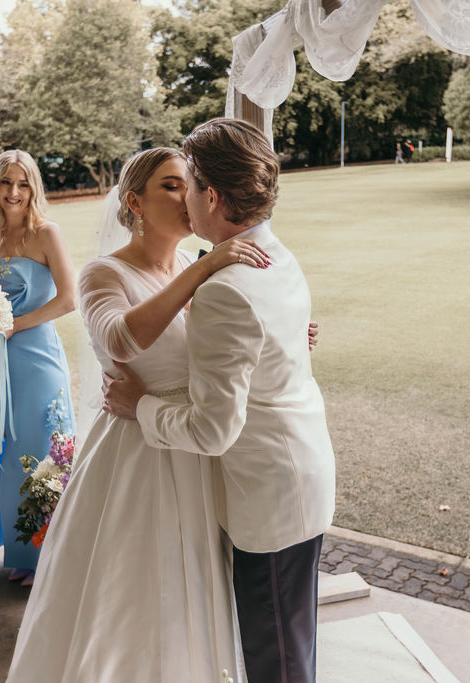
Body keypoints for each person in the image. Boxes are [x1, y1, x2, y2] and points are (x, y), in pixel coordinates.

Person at [7, 147, 269, 682]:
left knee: (188, 592)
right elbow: (121, 339)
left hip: (193, 449)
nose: (187, 196)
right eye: (170, 186)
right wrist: (205, 268)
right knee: (132, 594)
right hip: (134, 459)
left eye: (188, 185)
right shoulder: (105, 273)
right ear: (135, 202)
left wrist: (282, 337)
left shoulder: (199, 272)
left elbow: (223, 351)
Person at [104, 118, 336, 683]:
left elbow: (213, 432)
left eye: (189, 185)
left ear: (212, 195)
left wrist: (141, 407)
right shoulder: (275, 252)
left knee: (275, 655)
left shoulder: (225, 287)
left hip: (269, 494)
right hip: (299, 471)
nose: (185, 199)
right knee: (291, 641)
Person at [0, 150, 76, 583]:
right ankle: (21, 552)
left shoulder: (46, 234)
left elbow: (68, 300)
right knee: (10, 451)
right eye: (5, 183)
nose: (14, 192)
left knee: (45, 451)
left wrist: (13, 327)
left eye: (23, 183)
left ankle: (50, 555)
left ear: (34, 187)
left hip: (38, 358)